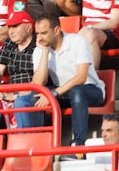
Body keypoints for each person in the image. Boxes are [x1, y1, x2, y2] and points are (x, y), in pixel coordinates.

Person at [31, 13, 105, 144]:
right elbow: (38, 83)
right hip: (63, 93)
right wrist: (45, 52)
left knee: (77, 91)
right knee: (34, 97)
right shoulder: (39, 49)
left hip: (91, 90)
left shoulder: (78, 41)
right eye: (37, 34)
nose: (39, 38)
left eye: (43, 33)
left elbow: (81, 77)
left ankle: (78, 144)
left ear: (56, 30)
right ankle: (38, 145)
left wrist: (53, 93)